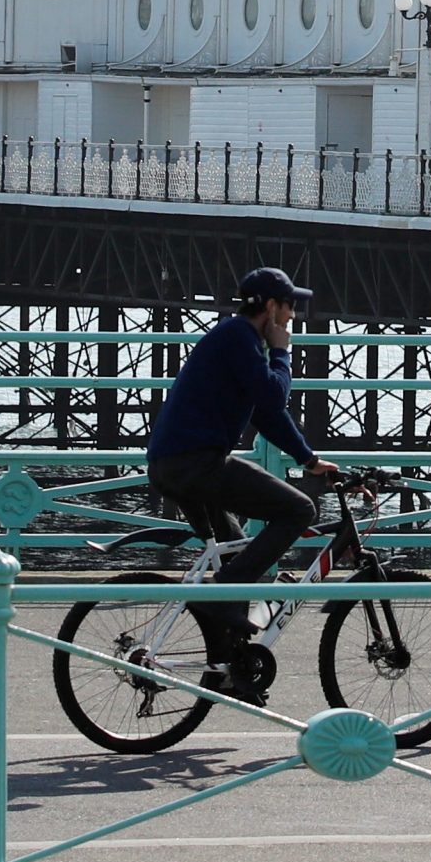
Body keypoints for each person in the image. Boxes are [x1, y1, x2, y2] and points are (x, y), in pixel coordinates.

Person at [145, 266, 341, 691]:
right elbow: (274, 395)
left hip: (177, 464)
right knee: (297, 509)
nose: (293, 317)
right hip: (196, 464)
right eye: (290, 307)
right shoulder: (240, 337)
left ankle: (231, 670)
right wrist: (282, 352)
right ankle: (223, 596)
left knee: (235, 557)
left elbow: (267, 413)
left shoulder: (235, 339)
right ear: (271, 307)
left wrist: (308, 460)